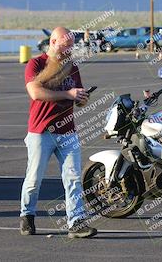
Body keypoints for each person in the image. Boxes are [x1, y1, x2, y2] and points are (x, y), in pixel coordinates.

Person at [20, 27, 97, 238]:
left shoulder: (72, 67)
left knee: (72, 177)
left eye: (71, 47)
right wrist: (68, 93)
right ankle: (27, 214)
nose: (68, 51)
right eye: (65, 47)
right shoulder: (36, 64)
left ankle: (76, 222)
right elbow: (35, 92)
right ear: (53, 42)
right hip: (41, 131)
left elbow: (78, 98)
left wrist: (81, 98)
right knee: (34, 178)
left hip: (67, 130)